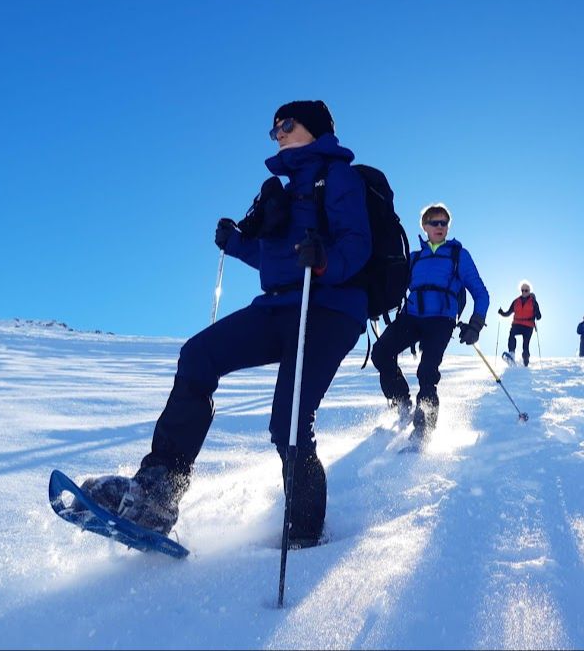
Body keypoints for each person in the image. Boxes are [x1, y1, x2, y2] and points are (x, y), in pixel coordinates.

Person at [78, 100, 372, 549]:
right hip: (279, 306)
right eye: (273, 127)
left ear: (313, 129)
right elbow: (274, 258)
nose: (277, 133)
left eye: (286, 124)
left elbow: (358, 244)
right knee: (199, 355)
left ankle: (305, 535)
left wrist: (327, 259)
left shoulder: (336, 176)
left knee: (289, 421)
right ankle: (156, 495)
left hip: (329, 310)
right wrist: (236, 243)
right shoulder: (287, 187)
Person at [370, 203, 489, 447]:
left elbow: (480, 292)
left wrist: (476, 324)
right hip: (411, 316)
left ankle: (424, 431)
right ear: (424, 226)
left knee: (427, 372)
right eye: (434, 222)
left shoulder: (458, 254)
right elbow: (392, 288)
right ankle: (401, 402)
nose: (440, 227)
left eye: (444, 223)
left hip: (441, 320)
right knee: (381, 353)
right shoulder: (415, 258)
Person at [498, 281, 542, 366]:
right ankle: (511, 354)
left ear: (529, 291)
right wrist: (502, 313)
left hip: (528, 326)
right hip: (517, 324)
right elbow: (508, 313)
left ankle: (525, 360)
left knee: (525, 344)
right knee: (512, 335)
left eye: (526, 290)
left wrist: (536, 311)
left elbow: (539, 317)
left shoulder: (533, 302)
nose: (524, 292)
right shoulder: (516, 301)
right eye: (522, 290)